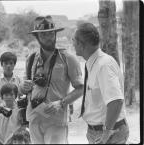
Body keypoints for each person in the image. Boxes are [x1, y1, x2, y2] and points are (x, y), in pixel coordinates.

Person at [21, 15, 84, 144]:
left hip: (56, 120)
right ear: (37, 37)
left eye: (50, 34)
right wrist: (24, 86)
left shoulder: (68, 58)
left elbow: (81, 88)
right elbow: (22, 88)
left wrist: (60, 103)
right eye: (43, 35)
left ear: (55, 34)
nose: (48, 38)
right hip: (34, 118)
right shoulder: (31, 58)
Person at [72, 22, 129, 144]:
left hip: (109, 134)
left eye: (73, 41)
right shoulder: (94, 63)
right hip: (99, 132)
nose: (72, 44)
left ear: (81, 45)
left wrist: (106, 133)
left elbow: (116, 101)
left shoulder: (103, 65)